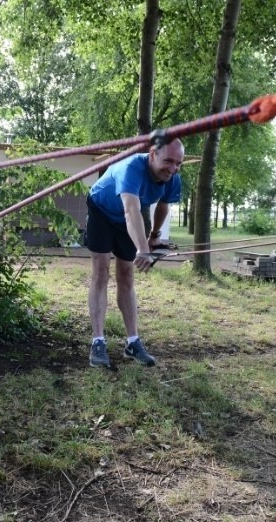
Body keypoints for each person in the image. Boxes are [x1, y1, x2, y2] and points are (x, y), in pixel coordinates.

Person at [85, 137, 184, 368]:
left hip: (130, 218)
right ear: (152, 154)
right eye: (168, 161)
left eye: (178, 163)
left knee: (127, 275)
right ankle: (97, 342)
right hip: (102, 210)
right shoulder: (131, 168)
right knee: (101, 272)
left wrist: (154, 237)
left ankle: (133, 342)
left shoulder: (173, 177)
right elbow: (130, 210)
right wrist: (142, 249)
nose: (173, 168)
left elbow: (163, 205)